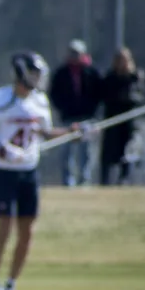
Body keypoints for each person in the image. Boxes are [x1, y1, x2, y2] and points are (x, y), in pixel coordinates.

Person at [0, 52, 81, 290]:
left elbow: (44, 133)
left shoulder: (39, 102)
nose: (38, 80)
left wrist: (73, 132)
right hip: (2, 173)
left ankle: (10, 284)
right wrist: (1, 151)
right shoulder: (1, 100)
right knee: (4, 225)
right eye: (33, 74)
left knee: (27, 230)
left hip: (29, 172)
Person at [49, 39, 101, 186]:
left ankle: (85, 181)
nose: (74, 56)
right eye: (72, 52)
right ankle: (68, 181)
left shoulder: (91, 72)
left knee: (87, 152)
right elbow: (54, 94)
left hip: (88, 117)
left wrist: (92, 111)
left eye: (77, 53)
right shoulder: (61, 73)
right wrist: (63, 109)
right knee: (67, 152)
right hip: (68, 118)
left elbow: (99, 93)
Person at [99, 47, 144, 186]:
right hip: (112, 122)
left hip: (129, 123)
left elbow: (139, 96)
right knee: (108, 154)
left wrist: (127, 98)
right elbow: (104, 96)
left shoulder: (135, 77)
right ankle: (105, 182)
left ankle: (124, 180)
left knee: (128, 153)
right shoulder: (109, 78)